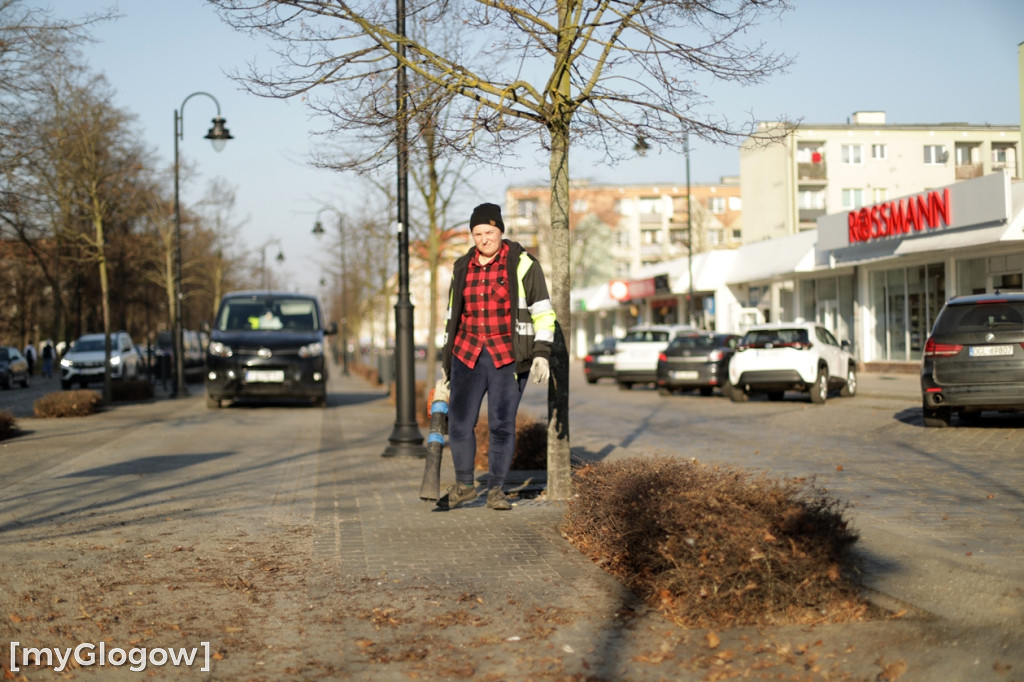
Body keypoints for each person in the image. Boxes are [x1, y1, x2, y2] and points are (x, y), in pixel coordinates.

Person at [435, 202, 556, 510]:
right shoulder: (462, 267)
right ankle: (465, 486)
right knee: (460, 423)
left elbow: (543, 312)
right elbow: (452, 316)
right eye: (477, 233)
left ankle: (497, 491)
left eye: (489, 232)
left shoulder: (524, 264)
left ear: (501, 231)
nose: (484, 239)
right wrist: (446, 364)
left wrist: (541, 353)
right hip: (467, 354)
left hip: (507, 357)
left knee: (502, 424)